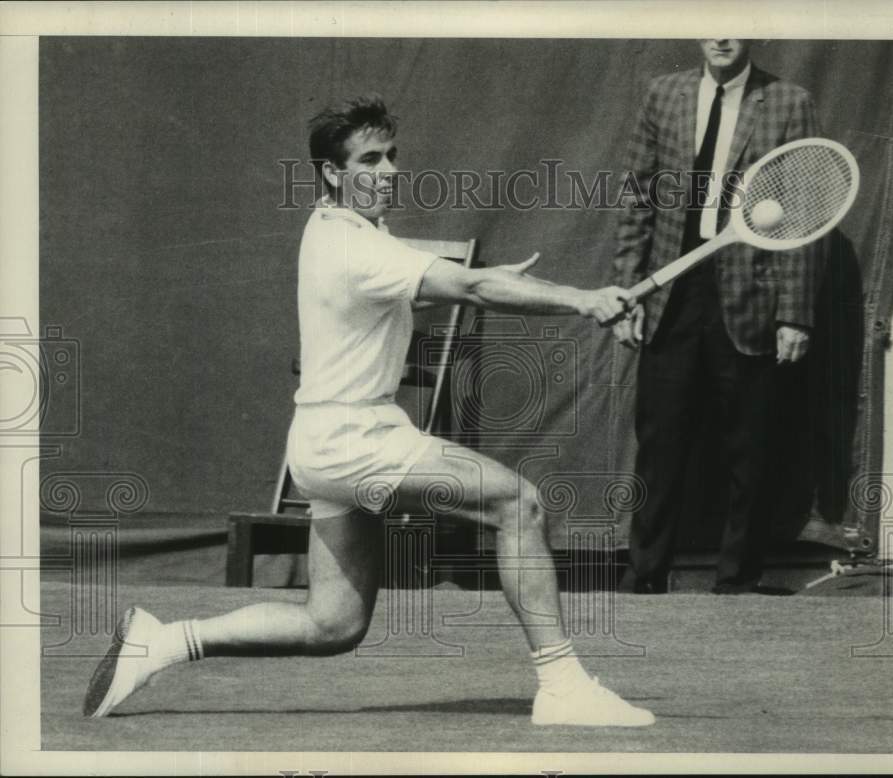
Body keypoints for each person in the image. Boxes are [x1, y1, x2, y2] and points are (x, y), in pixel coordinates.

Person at [84, 95, 654, 727]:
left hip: (322, 443)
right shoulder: (359, 248)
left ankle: (160, 641)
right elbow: (468, 285)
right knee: (517, 504)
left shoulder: (336, 230)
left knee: (332, 624)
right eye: (369, 160)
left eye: (392, 157)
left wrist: (506, 285)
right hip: (356, 438)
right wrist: (583, 299)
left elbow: (418, 299)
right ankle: (563, 685)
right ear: (334, 172)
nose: (387, 171)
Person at [613, 40, 823, 594]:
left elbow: (801, 214)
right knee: (659, 446)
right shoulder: (665, 94)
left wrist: (796, 315)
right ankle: (646, 576)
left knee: (749, 451)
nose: (722, 35)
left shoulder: (787, 101)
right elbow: (638, 196)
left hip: (750, 296)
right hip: (670, 295)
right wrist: (629, 291)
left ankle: (737, 582)